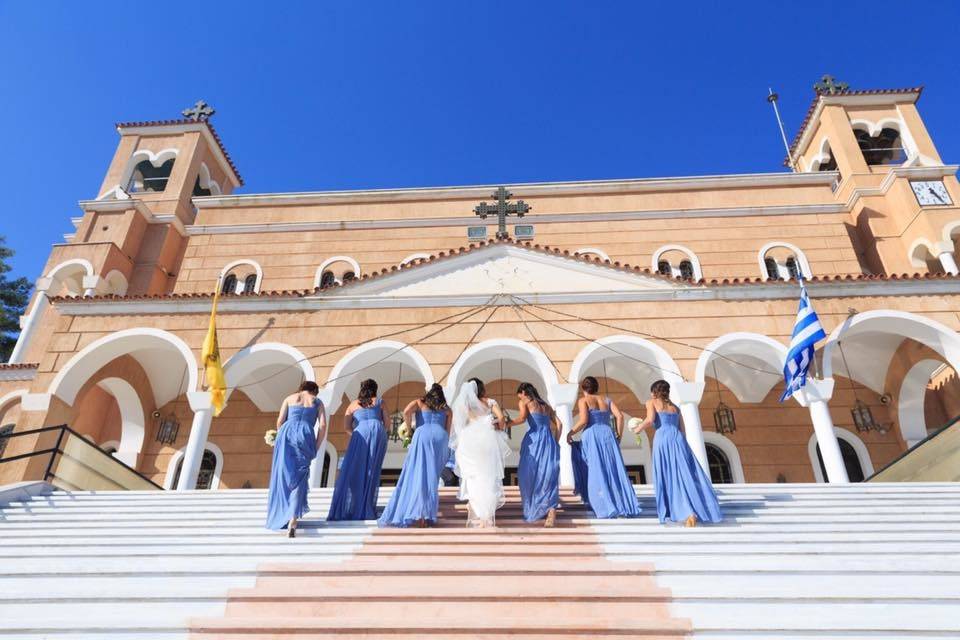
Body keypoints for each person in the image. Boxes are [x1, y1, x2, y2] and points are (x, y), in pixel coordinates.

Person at [632, 379, 722, 527]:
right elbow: (682, 429)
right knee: (683, 475)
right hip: (678, 440)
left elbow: (650, 420)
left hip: (663, 438)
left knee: (668, 474)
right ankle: (691, 511)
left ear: (654, 392)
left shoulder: (652, 402)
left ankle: (684, 511)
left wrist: (638, 429)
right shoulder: (675, 407)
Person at [378, 383, 453, 528]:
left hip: (422, 435)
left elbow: (406, 411)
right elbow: (448, 431)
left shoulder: (419, 402)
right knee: (432, 477)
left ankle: (418, 515)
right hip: (440, 438)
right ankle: (425, 515)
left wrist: (409, 428)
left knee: (418, 474)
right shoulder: (447, 409)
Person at [566, 376, 641, 518]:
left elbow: (583, 421)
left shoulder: (584, 400)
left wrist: (570, 432)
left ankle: (603, 505)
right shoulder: (607, 400)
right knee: (612, 468)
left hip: (592, 434)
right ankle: (620, 503)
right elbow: (620, 417)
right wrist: (618, 435)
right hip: (608, 434)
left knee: (595, 469)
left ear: (584, 389)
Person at [265, 381, 326, 536]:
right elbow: (323, 426)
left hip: (287, 432)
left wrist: (282, 436)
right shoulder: (317, 402)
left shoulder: (289, 398)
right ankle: (293, 518)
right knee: (301, 476)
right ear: (314, 391)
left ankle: (284, 513)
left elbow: (280, 421)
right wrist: (316, 447)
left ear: (302, 388)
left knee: (284, 474)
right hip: (306, 434)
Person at [449, 378, 512, 527]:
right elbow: (502, 419)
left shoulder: (467, 404)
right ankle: (485, 516)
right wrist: (498, 425)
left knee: (473, 476)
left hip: (469, 442)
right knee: (487, 476)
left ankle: (473, 503)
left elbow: (466, 420)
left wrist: (480, 421)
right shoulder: (490, 402)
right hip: (487, 442)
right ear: (482, 388)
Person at [327, 379, 388, 521]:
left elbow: (347, 427)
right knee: (371, 471)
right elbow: (387, 423)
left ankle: (354, 505)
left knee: (356, 470)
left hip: (359, 435)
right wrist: (378, 433)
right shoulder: (380, 402)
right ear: (375, 389)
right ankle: (366, 506)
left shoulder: (352, 405)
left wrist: (356, 434)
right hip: (377, 433)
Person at [507, 382, 561, 526]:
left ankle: (535, 508)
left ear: (524, 393)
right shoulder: (546, 405)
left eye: (520, 396)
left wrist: (506, 424)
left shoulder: (525, 402)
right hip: (549, 441)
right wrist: (555, 442)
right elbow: (559, 425)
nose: (520, 399)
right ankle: (551, 511)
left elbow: (522, 418)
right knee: (547, 476)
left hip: (534, 440)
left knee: (527, 475)